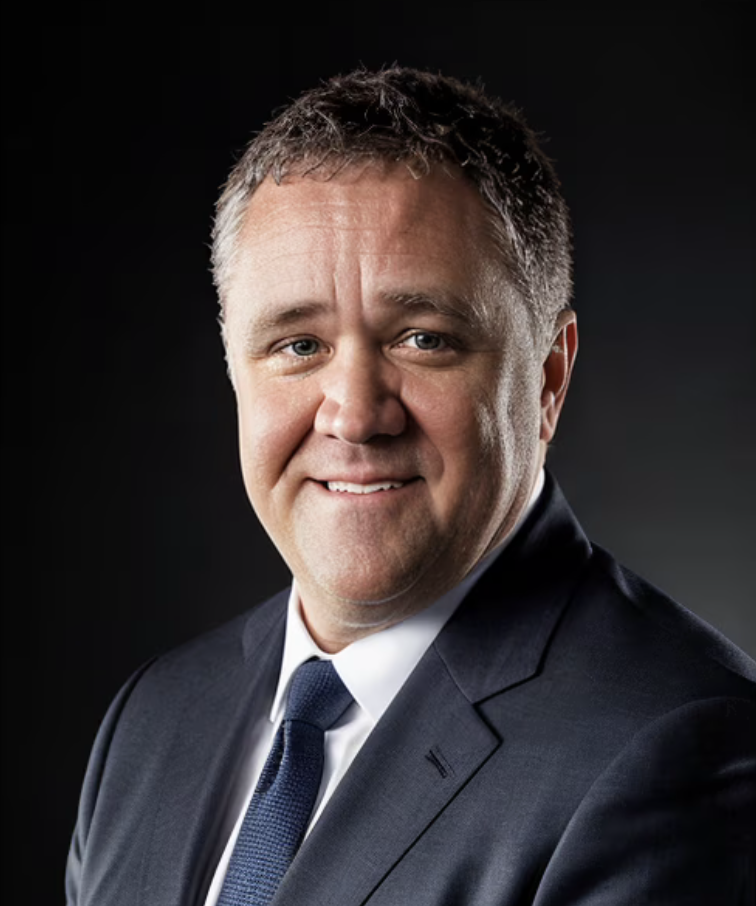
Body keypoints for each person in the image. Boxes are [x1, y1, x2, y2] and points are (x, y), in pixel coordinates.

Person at [66, 67, 755, 906]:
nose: (355, 417)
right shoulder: (153, 719)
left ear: (548, 378)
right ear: (234, 368)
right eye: (297, 345)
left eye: (423, 338)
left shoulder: (680, 750)